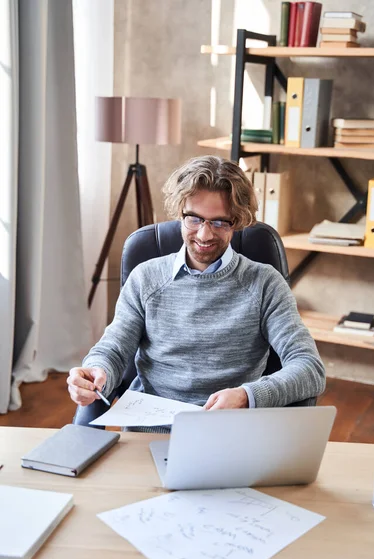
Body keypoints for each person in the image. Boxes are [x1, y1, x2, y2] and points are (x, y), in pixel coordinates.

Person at [68, 155, 325, 429]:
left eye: (219, 222)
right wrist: (97, 371)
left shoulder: (264, 284)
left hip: (229, 436)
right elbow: (114, 350)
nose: (204, 235)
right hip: (149, 435)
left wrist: (247, 396)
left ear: (236, 222)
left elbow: (309, 368)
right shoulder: (146, 277)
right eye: (194, 219)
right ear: (180, 212)